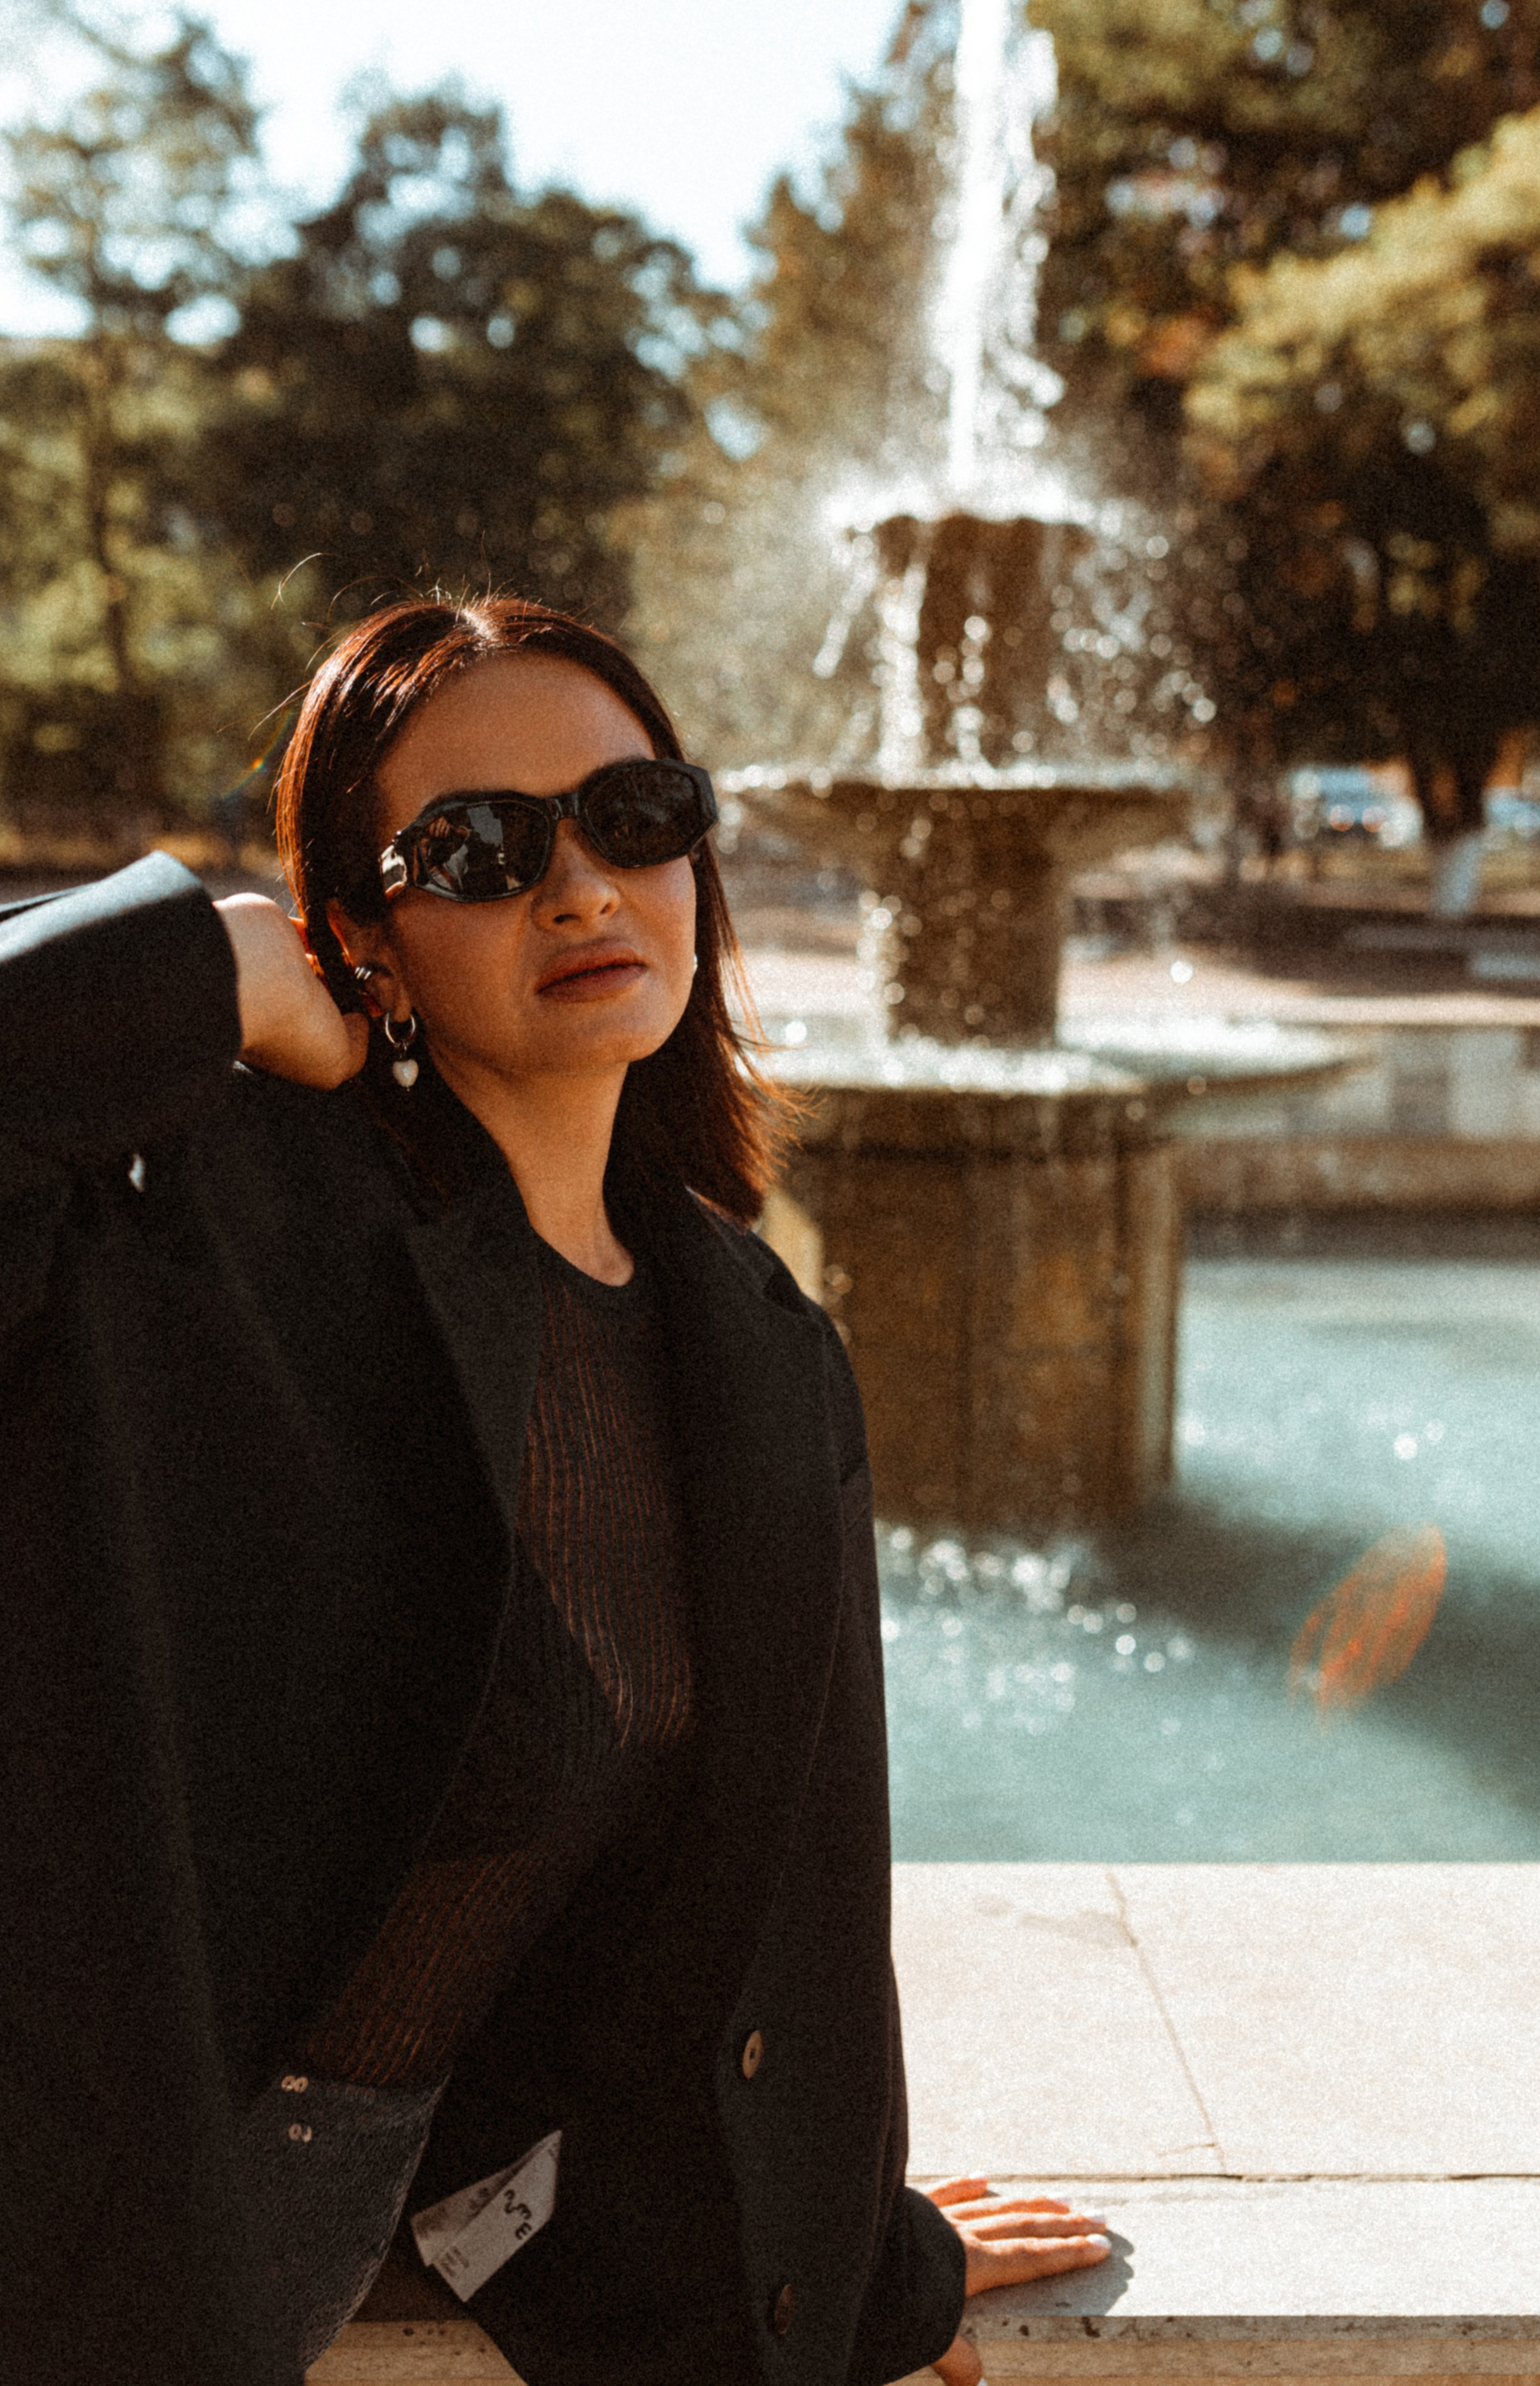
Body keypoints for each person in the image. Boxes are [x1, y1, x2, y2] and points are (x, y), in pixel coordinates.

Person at [0, 595, 1110, 2386]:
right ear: (365, 936)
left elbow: (757, 1918)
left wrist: (858, 2266)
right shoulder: (206, 1239)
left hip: (302, 2229)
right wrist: (198, 968)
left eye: (633, 817)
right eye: (480, 849)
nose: (583, 888)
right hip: (74, 2190)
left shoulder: (751, 1345)